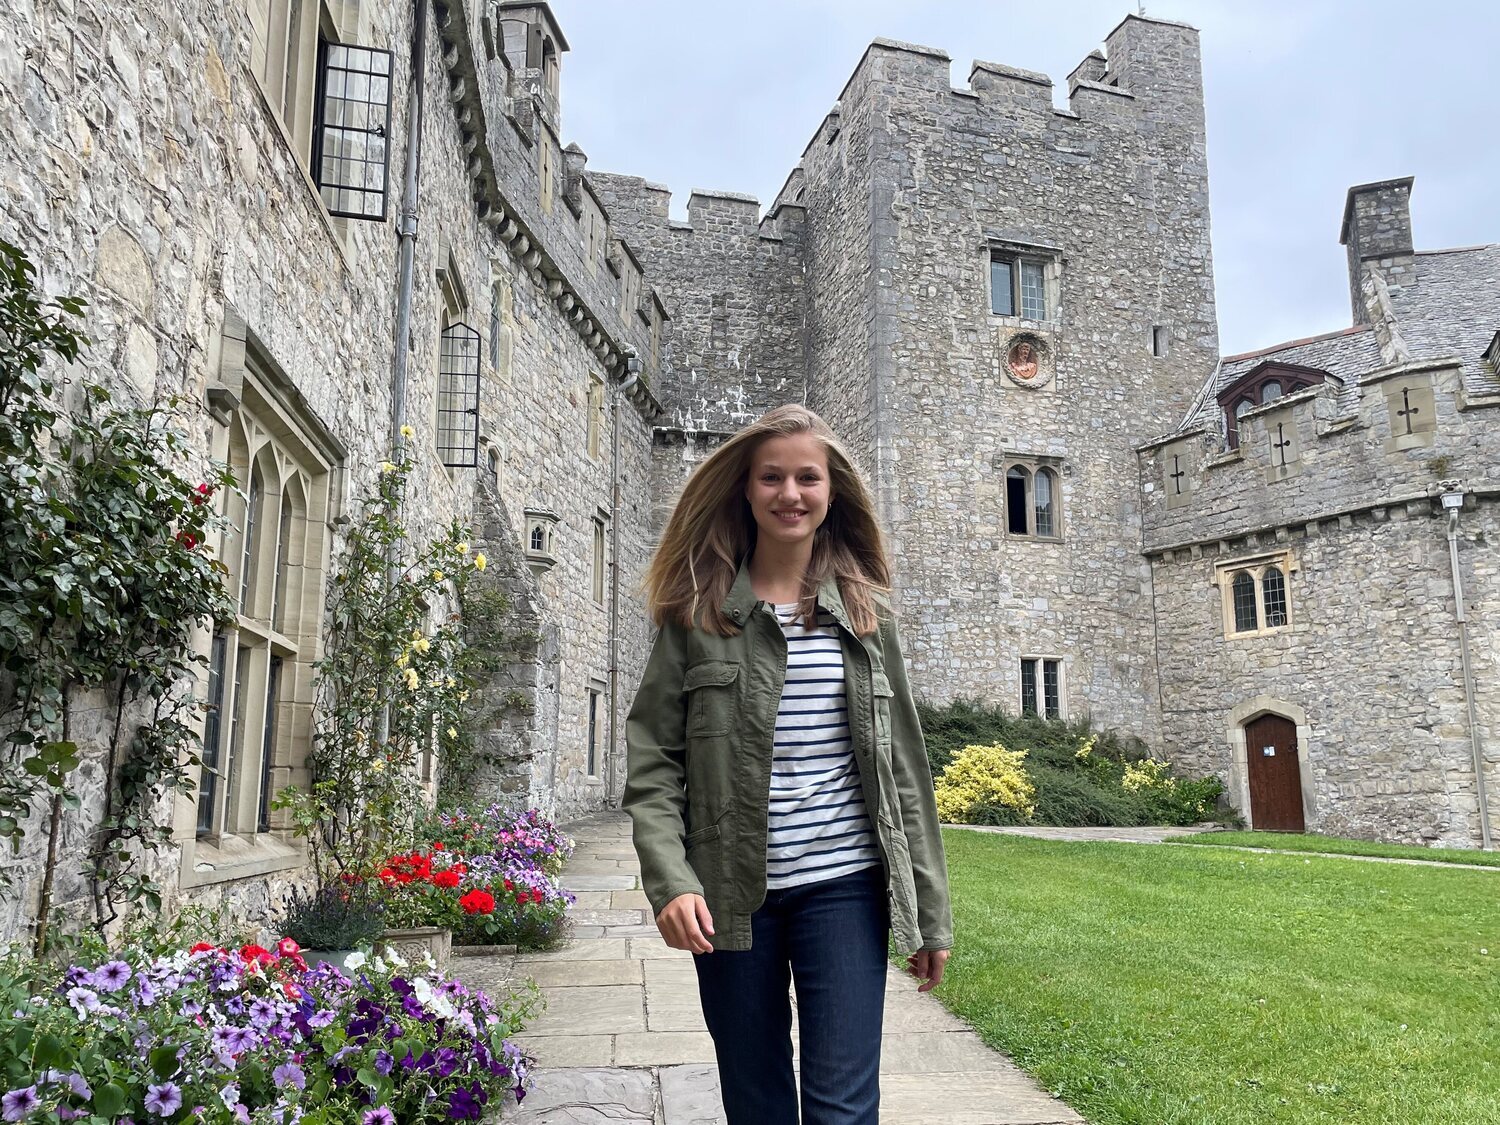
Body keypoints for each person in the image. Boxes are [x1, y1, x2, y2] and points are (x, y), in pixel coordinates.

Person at [623, 404, 954, 1125]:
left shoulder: (867, 618)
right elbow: (653, 758)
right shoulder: (697, 614)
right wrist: (669, 880)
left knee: (841, 1110)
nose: (790, 492)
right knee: (757, 1103)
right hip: (730, 894)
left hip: (843, 889)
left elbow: (905, 766)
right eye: (771, 476)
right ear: (746, 488)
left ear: (832, 491)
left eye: (808, 476)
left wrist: (930, 915)